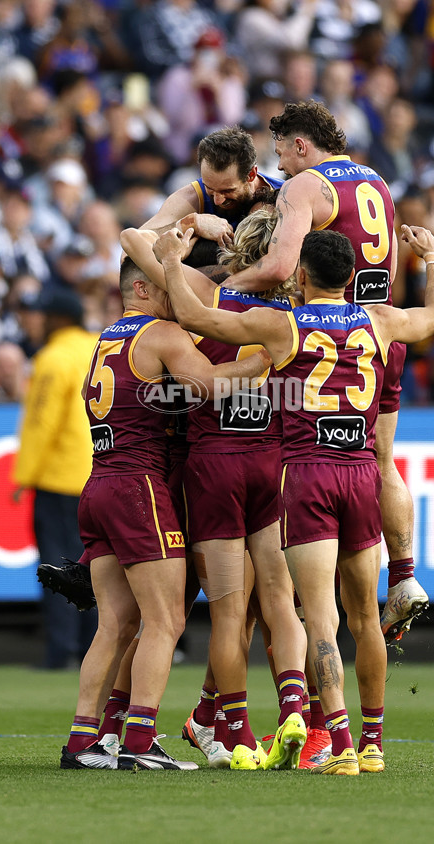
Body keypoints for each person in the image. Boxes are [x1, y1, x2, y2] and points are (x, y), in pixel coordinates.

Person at [155, 221, 434, 774]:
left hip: (309, 474)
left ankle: (339, 748)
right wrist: (432, 259)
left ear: (301, 273)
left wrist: (172, 262)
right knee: (366, 616)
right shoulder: (379, 320)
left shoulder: (281, 325)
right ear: (352, 276)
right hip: (363, 472)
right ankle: (374, 744)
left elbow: (198, 318)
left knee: (320, 616)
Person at [223, 99, 429, 641]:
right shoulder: (376, 180)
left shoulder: (305, 186)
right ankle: (404, 575)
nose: (282, 169)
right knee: (381, 459)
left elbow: (280, 265)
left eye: (283, 156)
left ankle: (290, 619)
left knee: (294, 453)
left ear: (298, 143)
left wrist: (225, 288)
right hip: (380, 334)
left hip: (326, 337)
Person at [59, 255, 272, 770]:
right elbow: (210, 385)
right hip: (138, 488)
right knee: (166, 620)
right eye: (169, 285)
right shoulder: (162, 335)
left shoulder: (108, 337)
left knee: (115, 623)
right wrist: (263, 359)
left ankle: (83, 741)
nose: (182, 297)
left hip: (99, 483)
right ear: (142, 287)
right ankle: (138, 742)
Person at [121, 209, 308, 772]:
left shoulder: (204, 292)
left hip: (213, 466)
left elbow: (134, 239)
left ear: (234, 251)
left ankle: (240, 733)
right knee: (278, 598)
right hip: (270, 465)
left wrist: (191, 221)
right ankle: (296, 703)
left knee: (227, 613)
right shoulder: (297, 312)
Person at [12, 287, 98, 670]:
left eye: (44, 316)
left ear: (58, 319)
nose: (38, 322)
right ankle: (91, 650)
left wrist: (24, 474)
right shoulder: (100, 346)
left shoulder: (52, 358)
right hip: (101, 474)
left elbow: (41, 423)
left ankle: (59, 651)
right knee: (95, 570)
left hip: (61, 479)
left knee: (57, 568)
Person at [140, 125, 283, 245]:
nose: (217, 200)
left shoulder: (285, 195)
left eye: (227, 190)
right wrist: (191, 223)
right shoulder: (193, 196)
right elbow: (132, 246)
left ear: (251, 175)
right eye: (210, 188)